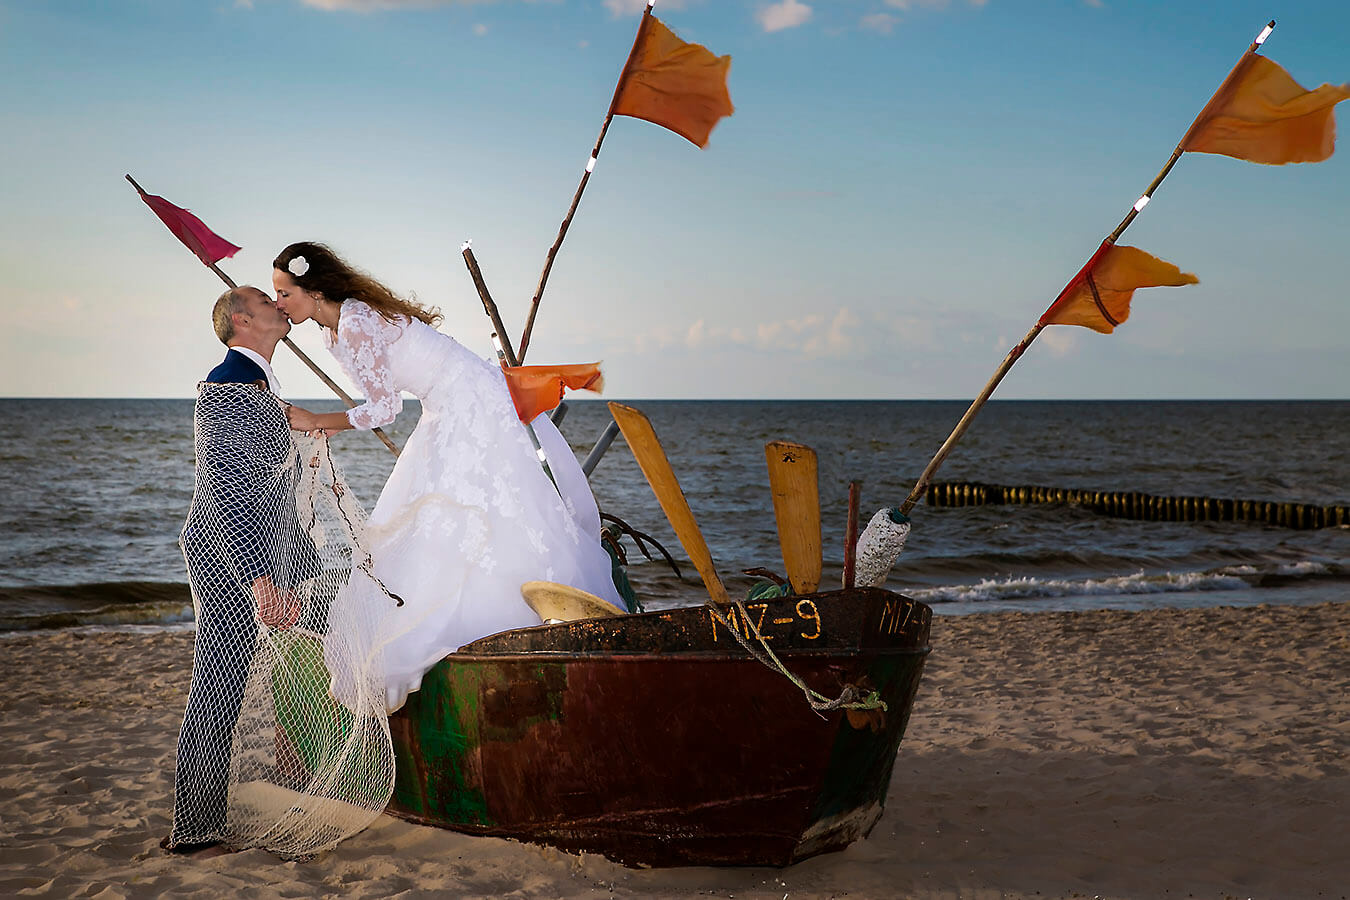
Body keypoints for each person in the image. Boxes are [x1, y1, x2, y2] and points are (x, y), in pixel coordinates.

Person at [272, 242, 625, 712]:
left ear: (314, 291)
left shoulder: (354, 321)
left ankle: (502, 618)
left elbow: (386, 409)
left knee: (485, 507)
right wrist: (334, 422)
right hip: (442, 406)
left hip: (470, 399)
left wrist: (319, 419)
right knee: (436, 512)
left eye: (284, 293)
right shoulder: (332, 331)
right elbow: (381, 394)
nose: (278, 303)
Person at [166, 285, 314, 854]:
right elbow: (230, 492)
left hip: (249, 552)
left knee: (228, 686)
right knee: (217, 691)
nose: (279, 305)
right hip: (227, 555)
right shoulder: (229, 384)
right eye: (265, 301)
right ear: (241, 321)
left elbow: (270, 485)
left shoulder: (258, 381)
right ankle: (194, 832)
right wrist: (262, 579)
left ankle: (292, 768)